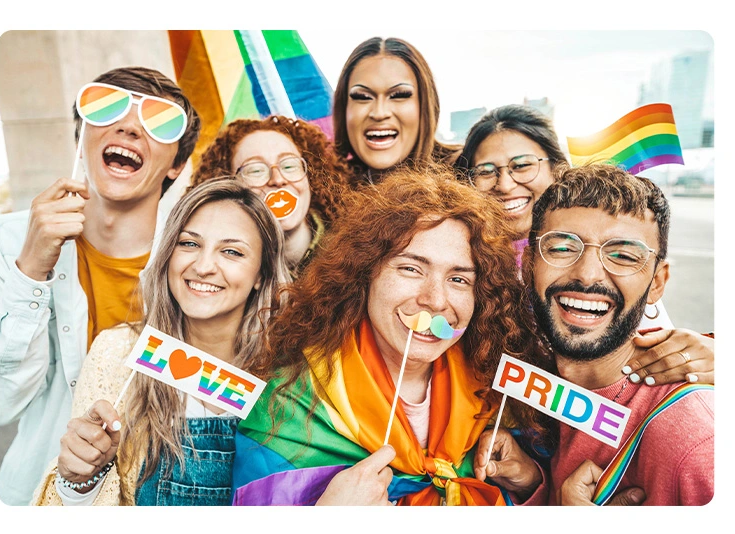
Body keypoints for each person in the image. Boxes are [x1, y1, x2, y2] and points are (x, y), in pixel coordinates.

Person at [232, 165, 554, 506]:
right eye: (411, 269)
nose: (435, 299)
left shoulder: (498, 396)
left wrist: (530, 483)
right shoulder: (286, 402)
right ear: (365, 272)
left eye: (459, 279)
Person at [0, 66, 201, 505]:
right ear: (81, 137)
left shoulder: (197, 268)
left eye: (159, 121)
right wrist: (30, 269)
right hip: (34, 498)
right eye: (106, 109)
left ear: (176, 166)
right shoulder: (7, 244)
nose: (129, 126)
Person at [32, 179, 292, 505]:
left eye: (231, 251)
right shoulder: (117, 353)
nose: (203, 266)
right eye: (189, 244)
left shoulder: (292, 373)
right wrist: (80, 482)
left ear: (260, 276)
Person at [475, 164, 713, 506]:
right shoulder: (539, 378)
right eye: (561, 249)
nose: (587, 275)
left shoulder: (695, 441)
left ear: (658, 281)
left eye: (623, 256)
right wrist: (533, 484)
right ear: (528, 265)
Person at [455, 104, 714, 386]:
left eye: (522, 165)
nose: (505, 184)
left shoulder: (619, 261)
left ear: (557, 168)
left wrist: (711, 352)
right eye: (485, 171)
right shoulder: (456, 257)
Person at [190, 116, 350, 278]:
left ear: (310, 178)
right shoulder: (217, 272)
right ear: (229, 188)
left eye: (289, 165)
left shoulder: (355, 251)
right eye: (255, 170)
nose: (277, 179)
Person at [332, 37, 460, 187]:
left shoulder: (470, 171)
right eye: (363, 97)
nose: (379, 113)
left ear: (426, 105)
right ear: (343, 108)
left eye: (399, 95)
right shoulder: (322, 192)